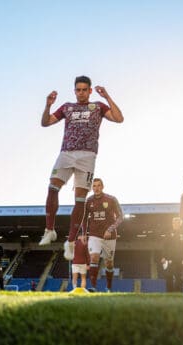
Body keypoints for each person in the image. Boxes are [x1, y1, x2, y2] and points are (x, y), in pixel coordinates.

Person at [38, 75, 124, 263]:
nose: (81, 93)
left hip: (87, 155)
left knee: (79, 200)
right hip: (67, 153)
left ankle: (69, 241)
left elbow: (119, 118)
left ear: (90, 91)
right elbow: (45, 123)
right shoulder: (67, 107)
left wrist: (107, 96)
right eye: (78, 90)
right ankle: (50, 230)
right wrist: (48, 105)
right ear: (74, 91)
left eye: (85, 89)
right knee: (52, 188)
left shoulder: (98, 107)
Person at [82, 178, 123, 292]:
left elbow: (120, 217)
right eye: (94, 186)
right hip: (94, 234)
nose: (96, 188)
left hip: (109, 236)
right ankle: (93, 287)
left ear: (103, 187)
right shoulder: (88, 201)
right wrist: (84, 233)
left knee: (109, 263)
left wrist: (110, 229)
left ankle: (108, 287)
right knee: (94, 257)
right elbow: (84, 218)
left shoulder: (111, 199)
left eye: (99, 185)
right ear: (92, 188)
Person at [161, 217, 183, 292]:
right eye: (175, 223)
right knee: (169, 275)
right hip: (169, 258)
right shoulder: (169, 233)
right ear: (172, 224)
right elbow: (165, 245)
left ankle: (179, 292)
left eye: (178, 223)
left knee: (179, 276)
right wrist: (163, 256)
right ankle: (169, 292)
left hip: (180, 259)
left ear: (180, 224)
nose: (176, 224)